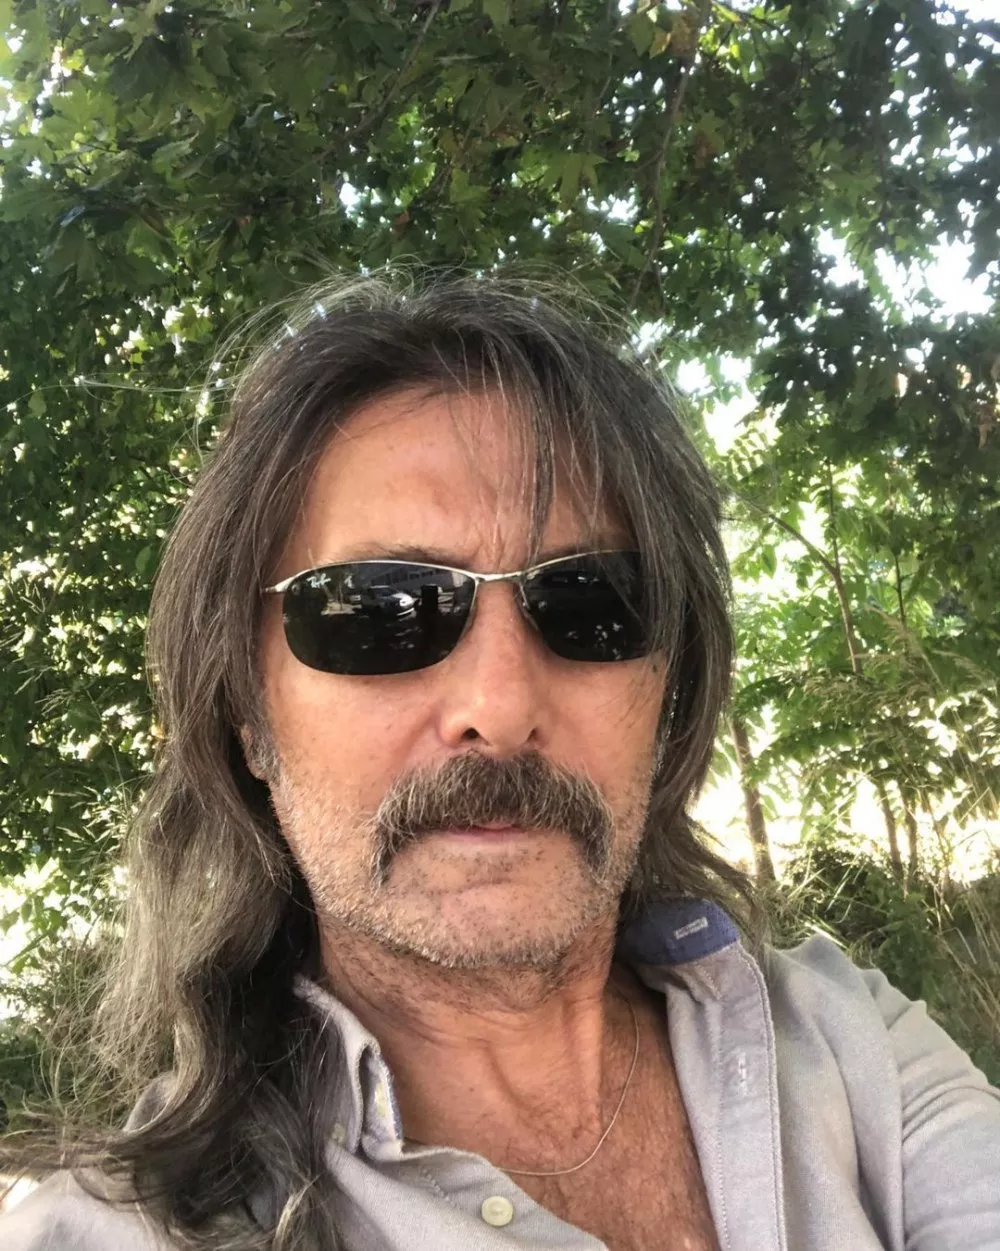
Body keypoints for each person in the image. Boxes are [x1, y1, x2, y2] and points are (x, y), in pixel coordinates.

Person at [2, 274, 998, 1251]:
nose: (501, 706)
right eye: (380, 610)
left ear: (670, 686)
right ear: (246, 717)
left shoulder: (851, 1051)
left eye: (594, 602)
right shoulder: (112, 1231)